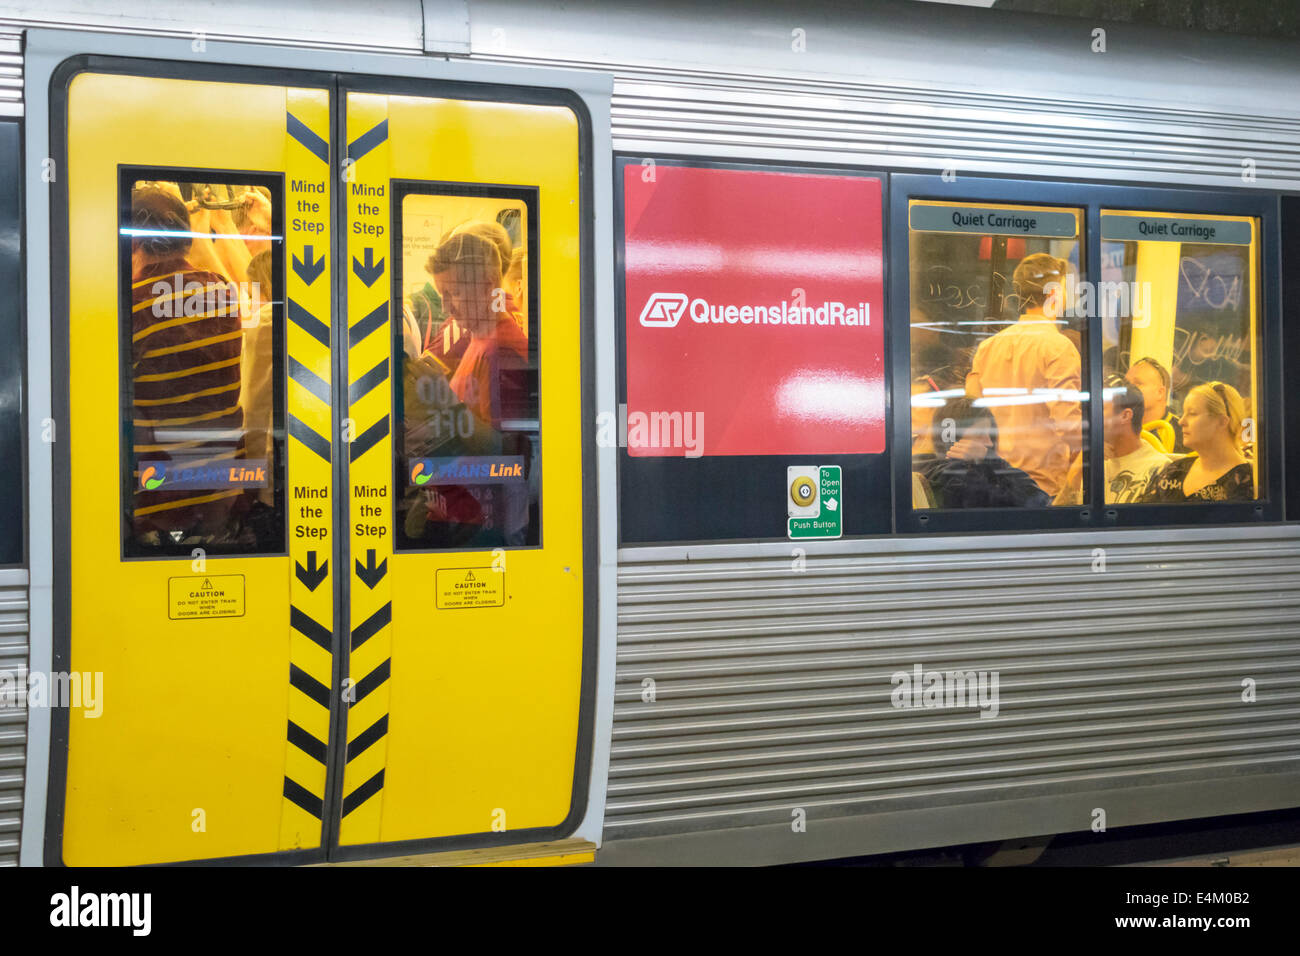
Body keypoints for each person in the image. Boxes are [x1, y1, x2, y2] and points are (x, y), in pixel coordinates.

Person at [129, 184, 247, 545]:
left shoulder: (133, 305)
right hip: (224, 490)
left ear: (132, 244)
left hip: (161, 499)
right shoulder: (222, 290)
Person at [965, 253, 1082, 500]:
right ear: (1054, 294)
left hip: (994, 479)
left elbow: (971, 413)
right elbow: (1068, 423)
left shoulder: (988, 347)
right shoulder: (1059, 347)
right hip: (1041, 485)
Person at [916, 397, 1050, 509]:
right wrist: (991, 460)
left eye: (989, 435)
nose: (989, 443)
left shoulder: (922, 464)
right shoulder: (958, 478)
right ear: (950, 437)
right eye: (980, 434)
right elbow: (1036, 501)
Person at [1053, 378, 1170, 505]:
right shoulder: (1090, 462)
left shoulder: (1160, 469)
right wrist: (1076, 470)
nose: (1087, 417)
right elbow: (1056, 520)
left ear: (1125, 416)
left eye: (1099, 409)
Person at [1142, 381, 1254, 503]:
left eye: (1192, 414)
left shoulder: (1244, 481)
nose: (1181, 421)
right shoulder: (1175, 470)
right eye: (1183, 413)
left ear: (1222, 422)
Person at [1126, 355, 1184, 454]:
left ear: (1160, 393)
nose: (1127, 389)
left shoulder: (1183, 434)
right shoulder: (1113, 429)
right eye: (1126, 383)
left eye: (1137, 383)